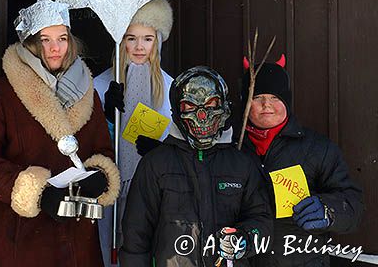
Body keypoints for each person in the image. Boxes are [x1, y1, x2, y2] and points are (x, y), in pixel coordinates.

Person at [0, 0, 121, 267]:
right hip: (20, 241)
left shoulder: (88, 93)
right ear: (32, 44)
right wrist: (37, 192)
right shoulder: (4, 93)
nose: (55, 48)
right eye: (45, 40)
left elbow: (103, 151)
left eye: (62, 38)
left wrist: (100, 175)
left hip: (76, 241)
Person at [121, 66, 273, 267]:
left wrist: (244, 238)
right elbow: (135, 236)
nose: (202, 116)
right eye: (190, 107)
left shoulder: (242, 164)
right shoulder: (155, 164)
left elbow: (262, 220)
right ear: (177, 111)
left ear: (224, 108)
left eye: (211, 105)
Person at [241, 56, 363, 266]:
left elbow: (354, 207)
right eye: (258, 96)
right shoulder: (230, 148)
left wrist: (328, 210)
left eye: (275, 97)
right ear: (245, 100)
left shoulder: (318, 148)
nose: (266, 105)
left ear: (287, 101)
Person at [93, 0, 174, 266]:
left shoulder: (171, 88)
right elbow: (86, 142)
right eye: (131, 38)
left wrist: (161, 151)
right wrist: (106, 118)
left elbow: (182, 144)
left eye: (147, 39)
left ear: (157, 42)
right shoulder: (100, 84)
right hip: (111, 188)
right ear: (121, 41)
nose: (139, 47)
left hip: (155, 190)